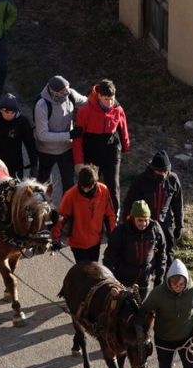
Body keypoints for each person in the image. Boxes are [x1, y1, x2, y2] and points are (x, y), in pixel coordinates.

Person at [72, 79, 130, 221]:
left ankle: (113, 217)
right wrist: (78, 161)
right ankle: (86, 216)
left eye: (112, 99)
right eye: (106, 99)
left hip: (111, 151)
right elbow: (78, 138)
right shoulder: (85, 111)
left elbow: (123, 129)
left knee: (113, 185)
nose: (110, 103)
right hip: (92, 151)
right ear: (99, 96)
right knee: (90, 184)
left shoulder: (118, 109)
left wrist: (126, 146)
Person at [103, 199, 167, 301]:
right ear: (133, 218)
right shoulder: (121, 232)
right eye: (140, 220)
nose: (143, 223)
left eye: (146, 220)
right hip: (123, 279)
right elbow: (109, 258)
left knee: (138, 310)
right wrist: (111, 281)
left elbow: (161, 254)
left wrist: (159, 280)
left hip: (144, 280)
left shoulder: (155, 229)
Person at [122, 150, 184, 256]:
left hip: (165, 225)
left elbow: (178, 204)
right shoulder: (141, 181)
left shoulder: (173, 180)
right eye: (160, 171)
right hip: (145, 225)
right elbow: (129, 203)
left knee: (167, 253)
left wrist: (179, 225)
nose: (163, 173)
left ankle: (165, 271)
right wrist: (127, 224)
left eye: (165, 171)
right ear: (153, 169)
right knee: (146, 254)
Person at [34, 75, 86, 199]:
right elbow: (42, 135)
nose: (67, 92)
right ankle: (41, 211)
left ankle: (66, 213)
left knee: (69, 183)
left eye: (68, 89)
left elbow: (88, 102)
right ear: (54, 92)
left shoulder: (70, 95)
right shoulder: (42, 105)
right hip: (46, 151)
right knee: (42, 185)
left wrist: (109, 103)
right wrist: (69, 135)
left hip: (66, 149)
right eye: (64, 91)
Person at [51, 164, 115, 264]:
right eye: (82, 186)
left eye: (88, 187)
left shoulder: (104, 191)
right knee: (84, 270)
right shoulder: (70, 195)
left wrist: (112, 236)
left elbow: (109, 215)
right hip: (77, 243)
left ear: (95, 183)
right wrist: (55, 238)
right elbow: (61, 218)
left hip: (95, 240)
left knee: (93, 268)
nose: (84, 189)